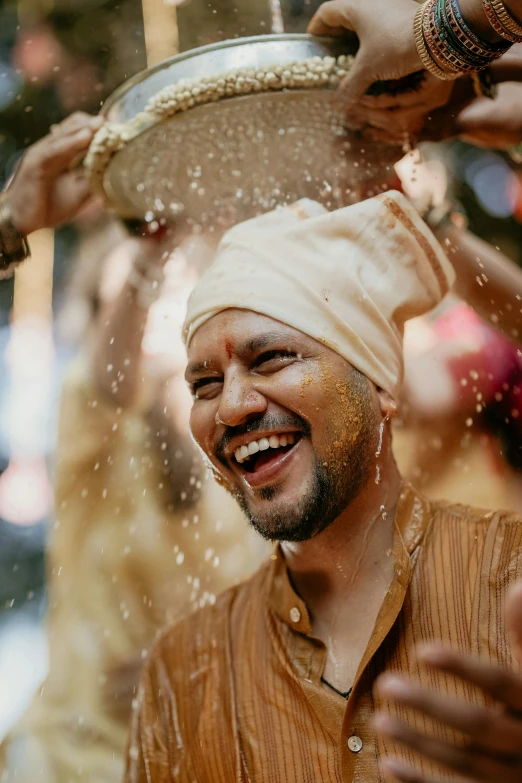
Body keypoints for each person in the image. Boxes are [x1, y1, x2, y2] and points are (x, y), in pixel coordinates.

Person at [124, 191, 522, 783]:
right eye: (204, 385)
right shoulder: (184, 670)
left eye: (273, 359)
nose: (231, 407)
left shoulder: (510, 576)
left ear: (382, 387)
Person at [0, 115, 262, 783]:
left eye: (173, 292)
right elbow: (108, 383)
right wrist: (149, 253)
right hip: (75, 761)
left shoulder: (254, 450)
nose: (151, 312)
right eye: (127, 299)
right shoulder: (91, 427)